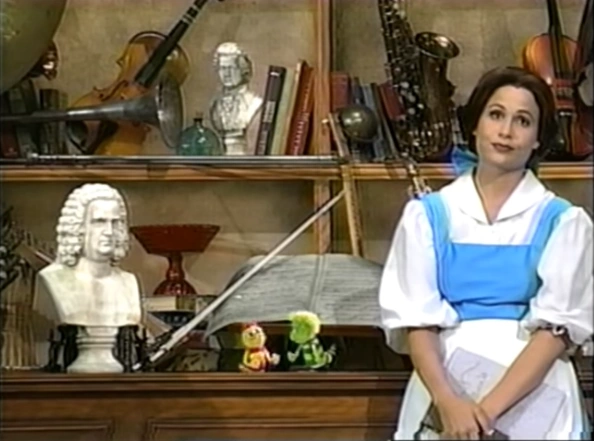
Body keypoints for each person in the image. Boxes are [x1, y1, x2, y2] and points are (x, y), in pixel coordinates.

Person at [378, 66, 593, 440]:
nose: (506, 131)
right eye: (496, 114)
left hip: (535, 398)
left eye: (523, 121)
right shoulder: (427, 216)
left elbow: (556, 332)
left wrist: (485, 414)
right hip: (444, 395)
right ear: (475, 125)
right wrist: (450, 404)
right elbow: (417, 323)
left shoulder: (564, 222)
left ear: (538, 139)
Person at [35, 183, 142, 329]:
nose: (109, 231)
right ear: (78, 227)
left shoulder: (128, 282)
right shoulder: (51, 280)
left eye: (115, 222)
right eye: (99, 222)